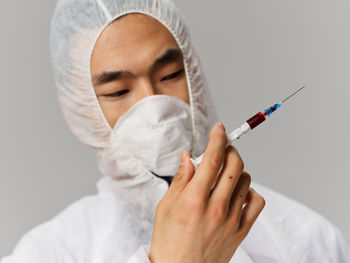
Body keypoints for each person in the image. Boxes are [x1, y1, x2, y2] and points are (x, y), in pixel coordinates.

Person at [2, 0, 350, 262]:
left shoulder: (306, 240)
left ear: (194, 74)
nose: (154, 106)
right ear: (78, 111)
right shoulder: (50, 253)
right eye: (118, 91)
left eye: (169, 75)